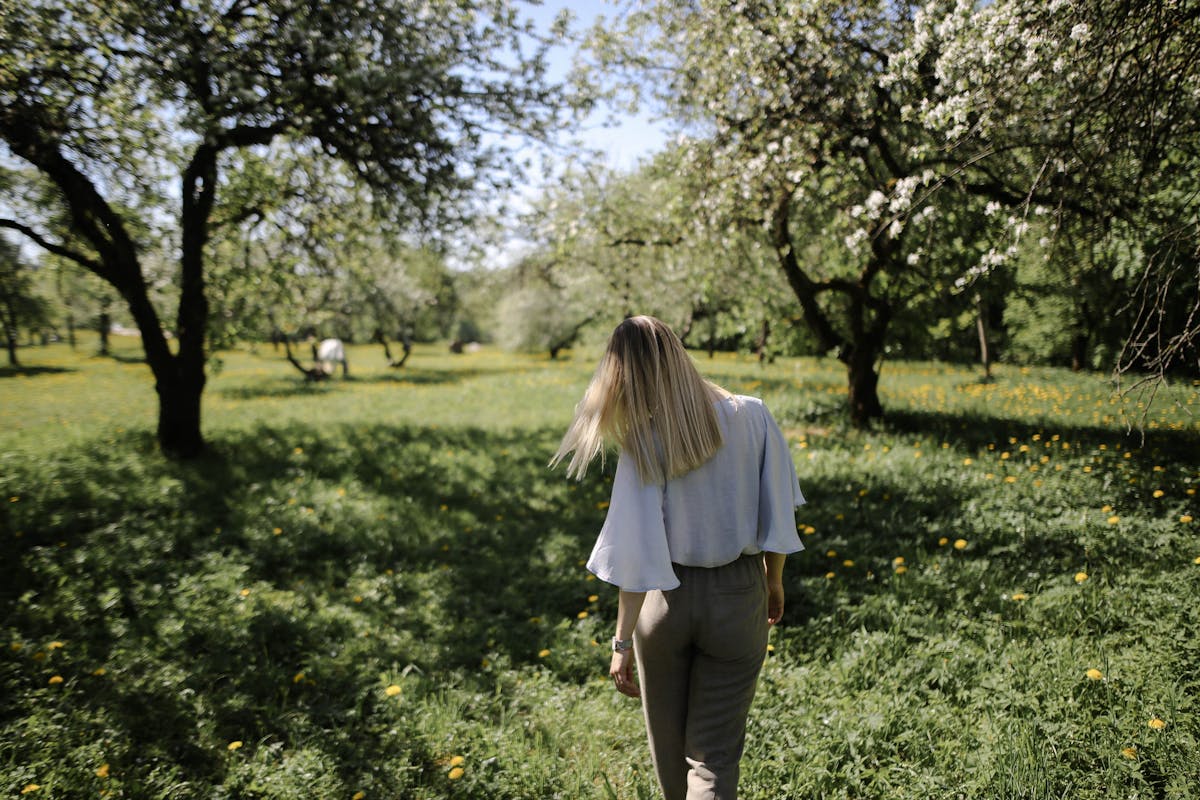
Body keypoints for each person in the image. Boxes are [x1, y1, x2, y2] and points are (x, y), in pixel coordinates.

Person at [551, 315, 806, 800]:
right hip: (738, 594)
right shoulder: (753, 415)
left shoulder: (645, 439)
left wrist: (621, 642)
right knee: (712, 760)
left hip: (664, 603)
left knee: (668, 755)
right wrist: (774, 581)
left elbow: (635, 551)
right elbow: (778, 514)